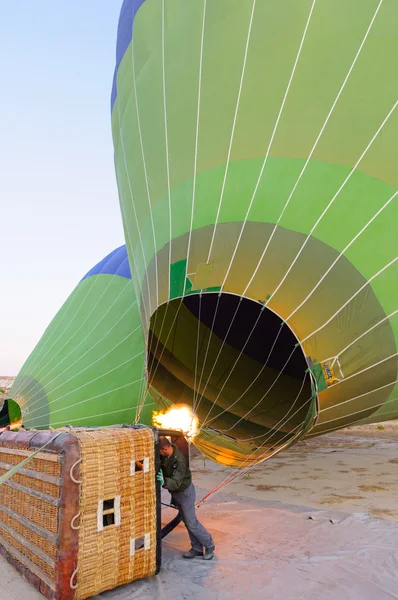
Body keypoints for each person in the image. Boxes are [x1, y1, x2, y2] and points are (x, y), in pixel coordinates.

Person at [158, 436, 215, 560]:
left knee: (191, 522)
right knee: (187, 522)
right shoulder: (167, 456)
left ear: (164, 449)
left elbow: (176, 483)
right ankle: (197, 548)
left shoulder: (179, 461)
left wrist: (163, 481)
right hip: (177, 493)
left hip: (185, 493)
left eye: (159, 451)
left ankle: (209, 545)